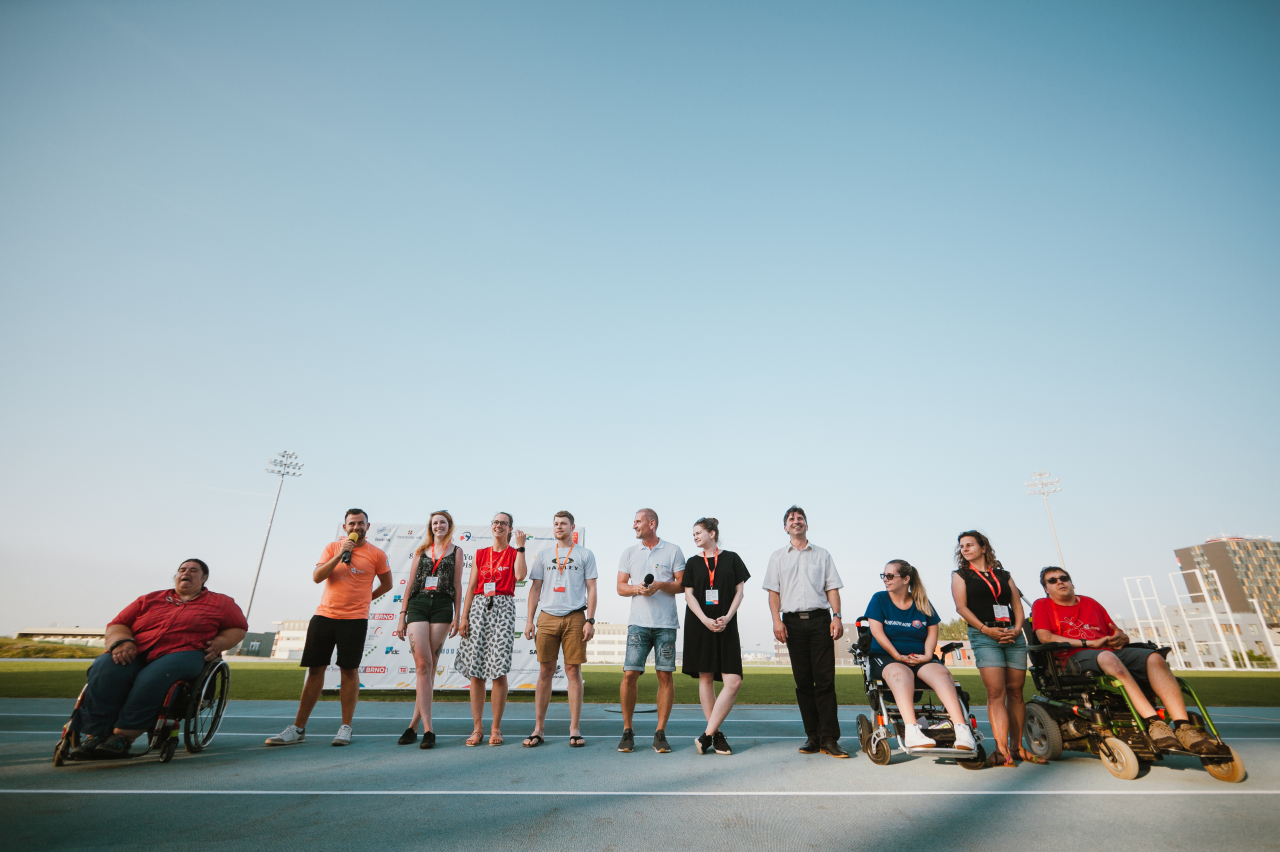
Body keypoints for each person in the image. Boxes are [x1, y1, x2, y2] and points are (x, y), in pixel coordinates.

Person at [70, 559, 247, 759]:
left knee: (155, 677)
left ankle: (124, 735)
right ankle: (96, 733)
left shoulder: (222, 603)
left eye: (193, 570)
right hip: (138, 649)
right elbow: (119, 623)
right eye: (182, 570)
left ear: (204, 577)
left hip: (184, 651)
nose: (186, 573)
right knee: (106, 668)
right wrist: (121, 642)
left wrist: (220, 643)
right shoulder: (149, 599)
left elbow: (238, 628)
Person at [1032, 567, 1215, 754]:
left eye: (1063, 578)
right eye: (1052, 580)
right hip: (1073, 658)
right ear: (1046, 588)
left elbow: (1117, 633)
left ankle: (1183, 726)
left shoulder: (1090, 603)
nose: (1060, 582)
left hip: (1108, 652)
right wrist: (1089, 643)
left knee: (1154, 657)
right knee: (1108, 657)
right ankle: (1154, 722)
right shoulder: (1042, 605)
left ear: (1071, 583)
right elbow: (1045, 637)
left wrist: (1121, 638)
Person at [266, 509, 392, 747]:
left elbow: (387, 584)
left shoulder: (377, 554)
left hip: (355, 620)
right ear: (345, 527)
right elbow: (317, 577)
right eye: (352, 524)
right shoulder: (332, 548)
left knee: (349, 671)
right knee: (315, 670)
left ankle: (345, 727)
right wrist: (340, 555)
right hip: (324, 616)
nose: (356, 527)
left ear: (368, 526)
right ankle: (298, 728)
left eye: (361, 523)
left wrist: (366, 599)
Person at [763, 506, 848, 758]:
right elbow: (773, 592)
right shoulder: (777, 557)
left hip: (820, 620)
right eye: (791, 519)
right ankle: (813, 736)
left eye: (800, 518)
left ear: (806, 525)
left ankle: (829, 739)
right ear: (785, 527)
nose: (796, 521)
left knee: (825, 681)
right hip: (792, 623)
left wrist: (837, 616)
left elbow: (832, 588)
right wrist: (777, 621)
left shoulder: (822, 554)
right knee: (803, 683)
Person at [865, 560, 977, 751]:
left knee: (942, 674)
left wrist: (926, 655)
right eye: (884, 575)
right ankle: (912, 731)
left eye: (890, 576)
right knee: (901, 674)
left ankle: (962, 730)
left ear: (906, 579)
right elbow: (877, 632)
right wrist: (897, 655)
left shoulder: (922, 602)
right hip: (887, 656)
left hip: (920, 656)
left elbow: (932, 632)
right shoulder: (879, 599)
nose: (885, 579)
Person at [950, 530, 1033, 767]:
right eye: (962, 546)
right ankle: (1001, 750)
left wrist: (1018, 629)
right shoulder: (961, 575)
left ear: (984, 547)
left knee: (1016, 691)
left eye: (970, 545)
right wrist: (986, 630)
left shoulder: (1003, 574)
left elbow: (1017, 604)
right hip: (984, 635)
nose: (965, 549)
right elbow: (961, 608)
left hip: (1012, 634)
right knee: (996, 692)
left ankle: (1018, 748)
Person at [522, 511, 598, 748]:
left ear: (572, 527)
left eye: (563, 523)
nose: (559, 527)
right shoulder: (545, 554)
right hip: (547, 617)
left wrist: (590, 620)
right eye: (555, 523)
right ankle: (538, 729)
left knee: (573, 671)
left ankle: (574, 728)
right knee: (545, 671)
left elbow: (592, 589)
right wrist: (529, 620)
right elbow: (535, 589)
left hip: (575, 616)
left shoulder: (585, 554)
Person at [615, 508, 686, 754]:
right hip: (638, 623)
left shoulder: (673, 550)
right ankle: (627, 730)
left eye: (638, 521)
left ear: (651, 523)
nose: (634, 525)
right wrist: (638, 588)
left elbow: (682, 585)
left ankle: (660, 733)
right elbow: (620, 587)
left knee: (665, 676)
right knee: (629, 675)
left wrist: (659, 586)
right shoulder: (629, 552)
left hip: (666, 623)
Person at [393, 510, 465, 749]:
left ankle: (413, 727)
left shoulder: (456, 551)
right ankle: (428, 730)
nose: (438, 526)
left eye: (442, 522)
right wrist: (402, 616)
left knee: (429, 667)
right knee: (423, 665)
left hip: (442, 607)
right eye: (435, 523)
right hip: (418, 605)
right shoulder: (420, 551)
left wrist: (457, 616)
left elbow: (457, 586)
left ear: (449, 525)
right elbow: (410, 585)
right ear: (430, 526)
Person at [455, 512, 528, 747]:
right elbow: (471, 587)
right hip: (478, 607)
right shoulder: (481, 553)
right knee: (476, 671)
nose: (498, 526)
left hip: (503, 607)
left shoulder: (514, 552)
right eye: (495, 522)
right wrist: (463, 617)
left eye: (503, 523)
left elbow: (520, 575)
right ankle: (477, 728)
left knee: (499, 670)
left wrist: (521, 547)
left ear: (510, 528)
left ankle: (496, 728)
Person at [681, 517, 749, 755]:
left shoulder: (732, 558)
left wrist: (728, 617)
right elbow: (688, 595)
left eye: (698, 533)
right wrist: (705, 620)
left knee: (734, 681)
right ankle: (716, 736)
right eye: (693, 534)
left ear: (712, 533)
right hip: (700, 625)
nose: (695, 537)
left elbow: (740, 592)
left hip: (725, 624)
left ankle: (706, 735)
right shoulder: (692, 562)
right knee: (706, 677)